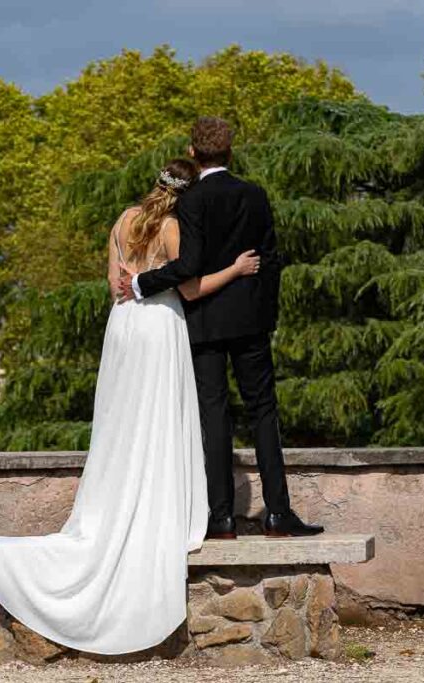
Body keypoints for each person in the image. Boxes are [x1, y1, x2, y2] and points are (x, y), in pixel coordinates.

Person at [0, 158, 262, 655]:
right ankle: (157, 507)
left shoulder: (122, 222)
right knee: (160, 422)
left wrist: (135, 282)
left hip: (122, 327)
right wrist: (234, 269)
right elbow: (187, 288)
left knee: (123, 426)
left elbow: (114, 287)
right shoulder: (173, 229)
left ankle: (115, 503)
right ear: (186, 196)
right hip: (159, 327)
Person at [118, 116, 324, 540]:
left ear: (193, 153)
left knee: (214, 416)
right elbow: (270, 260)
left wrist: (140, 283)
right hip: (251, 320)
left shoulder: (189, 201)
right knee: (264, 412)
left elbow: (187, 267)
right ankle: (278, 513)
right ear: (230, 153)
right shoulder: (255, 195)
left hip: (204, 320)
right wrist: (266, 314)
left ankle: (221, 517)